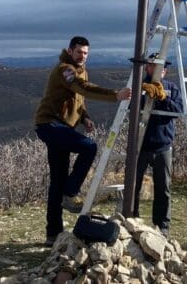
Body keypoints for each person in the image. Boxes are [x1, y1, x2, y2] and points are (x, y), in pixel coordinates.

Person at [34, 36, 131, 246]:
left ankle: (53, 234)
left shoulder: (81, 70)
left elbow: (79, 98)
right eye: (79, 52)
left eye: (86, 53)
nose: (82, 56)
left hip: (62, 128)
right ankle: (71, 193)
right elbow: (82, 87)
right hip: (49, 125)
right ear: (70, 51)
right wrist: (116, 94)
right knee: (89, 147)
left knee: (57, 181)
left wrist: (84, 117)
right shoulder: (65, 70)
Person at [133, 53, 183, 238]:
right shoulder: (138, 85)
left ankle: (162, 226)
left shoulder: (171, 88)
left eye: (161, 67)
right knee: (133, 186)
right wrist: (143, 94)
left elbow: (178, 110)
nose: (158, 69)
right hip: (140, 145)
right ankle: (132, 219)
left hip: (163, 146)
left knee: (163, 188)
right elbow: (130, 107)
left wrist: (163, 98)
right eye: (154, 65)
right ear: (147, 67)